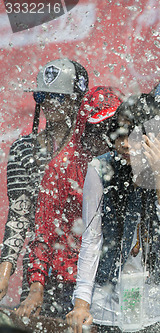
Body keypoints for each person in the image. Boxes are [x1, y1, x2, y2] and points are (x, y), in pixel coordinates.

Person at [66, 94, 160, 332]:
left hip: (154, 307)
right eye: (119, 134)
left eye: (133, 136)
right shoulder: (100, 168)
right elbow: (91, 239)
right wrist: (82, 304)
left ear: (155, 137)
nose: (124, 144)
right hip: (106, 307)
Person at [14, 86, 122, 319]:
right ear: (83, 128)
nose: (104, 138)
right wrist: (36, 289)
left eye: (112, 129)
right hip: (69, 288)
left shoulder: (131, 164)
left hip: (117, 283)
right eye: (95, 130)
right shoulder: (62, 168)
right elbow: (42, 233)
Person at [0, 58, 89, 305]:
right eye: (42, 95)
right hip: (40, 271)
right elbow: (19, 215)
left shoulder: (90, 148)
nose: (49, 103)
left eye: (58, 96)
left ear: (76, 99)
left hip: (87, 273)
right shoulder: (24, 149)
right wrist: (4, 271)